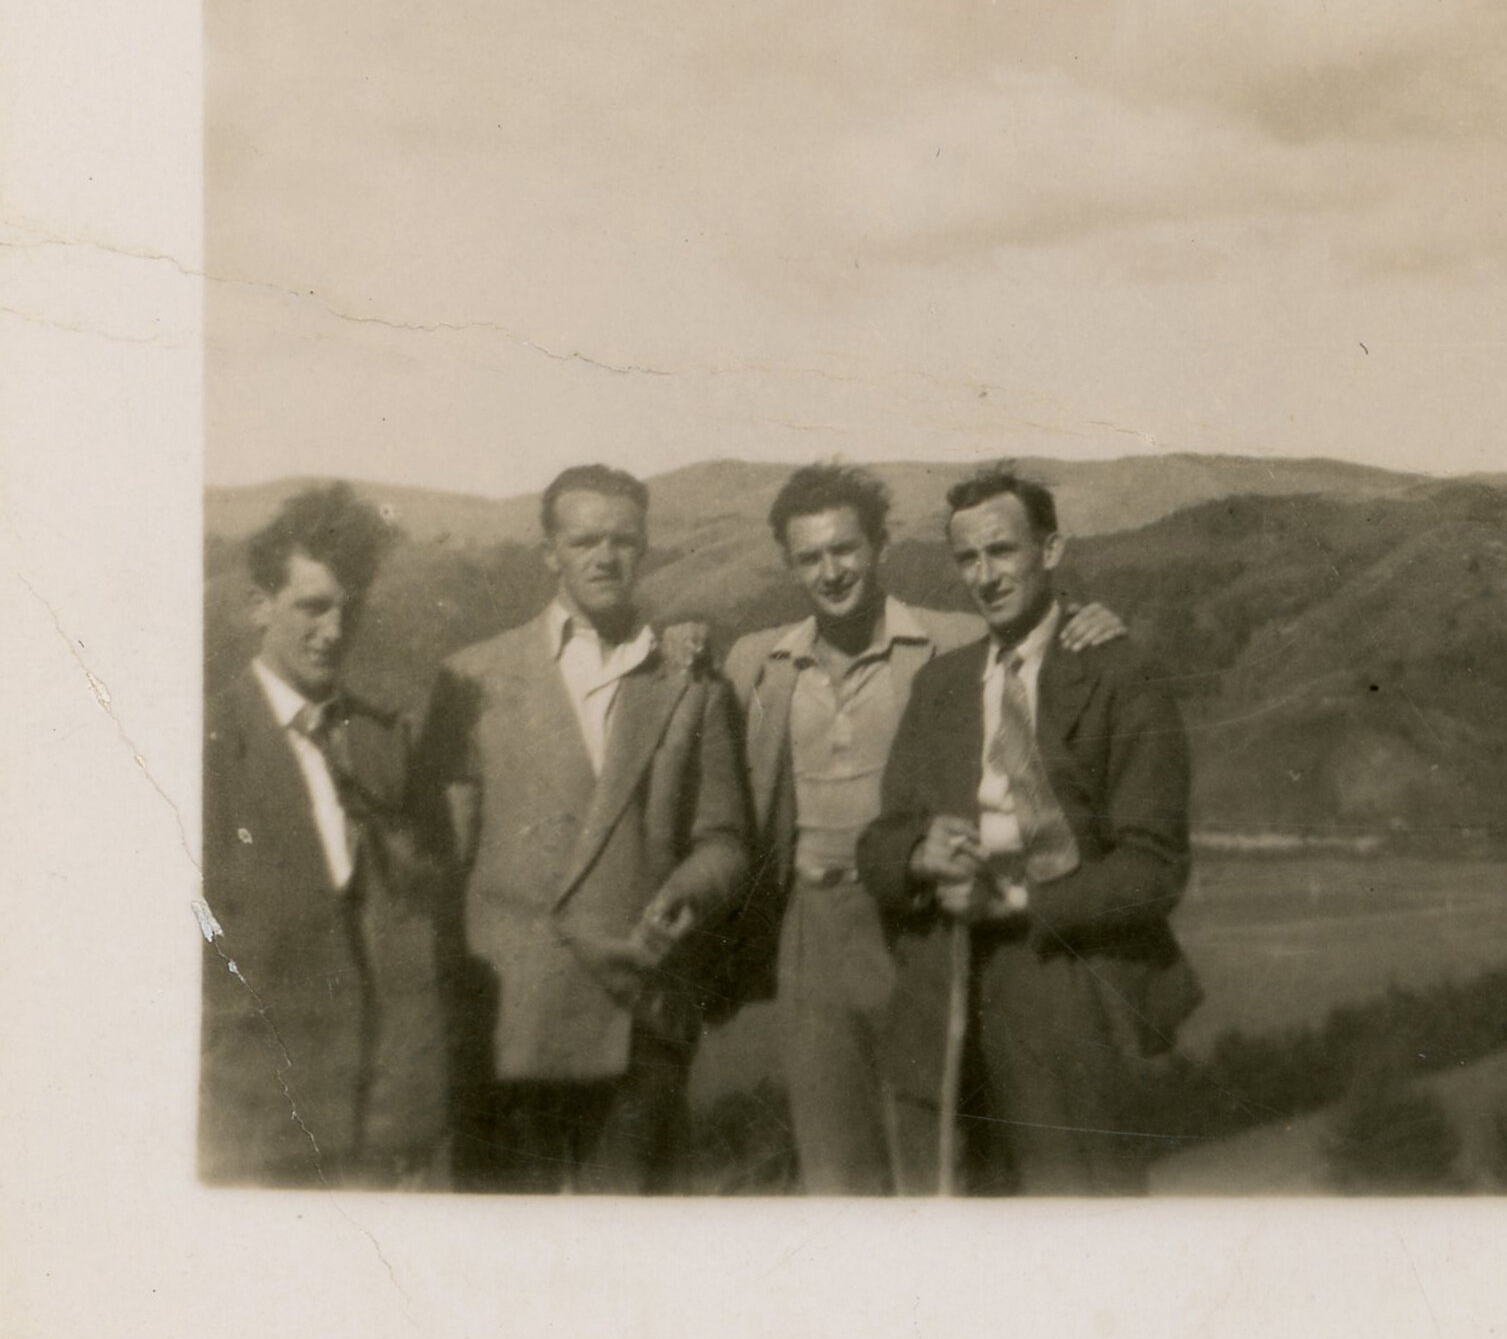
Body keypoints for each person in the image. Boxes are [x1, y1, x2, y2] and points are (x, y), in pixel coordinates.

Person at [720, 462, 1126, 1195]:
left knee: (935, 1150)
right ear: (787, 564)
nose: (830, 570)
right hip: (809, 929)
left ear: (879, 546)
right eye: (809, 556)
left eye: (845, 548)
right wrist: (686, 634)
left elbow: (1040, 645)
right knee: (834, 1160)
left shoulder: (951, 639)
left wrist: (1093, 622)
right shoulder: (758, 662)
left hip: (919, 925)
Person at [857, 465, 1198, 1195]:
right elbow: (878, 842)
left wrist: (1014, 905)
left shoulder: (1120, 674)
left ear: (1050, 551)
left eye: (1002, 551)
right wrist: (921, 854)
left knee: (1080, 1219)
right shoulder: (942, 686)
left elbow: (1154, 868)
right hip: (948, 990)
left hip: (1069, 982)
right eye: (967, 558)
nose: (984, 575)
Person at [434, 463, 750, 1193]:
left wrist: (687, 894)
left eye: (622, 540)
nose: (604, 558)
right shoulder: (477, 679)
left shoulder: (687, 682)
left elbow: (727, 841)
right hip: (514, 1022)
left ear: (644, 548)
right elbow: (447, 863)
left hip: (640, 1011)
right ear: (550, 553)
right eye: (583, 542)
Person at [200, 482, 453, 1187]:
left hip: (380, 1127)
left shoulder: (380, 742)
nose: (334, 632)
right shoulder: (204, 745)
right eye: (312, 606)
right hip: (256, 1121)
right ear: (258, 606)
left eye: (351, 608)